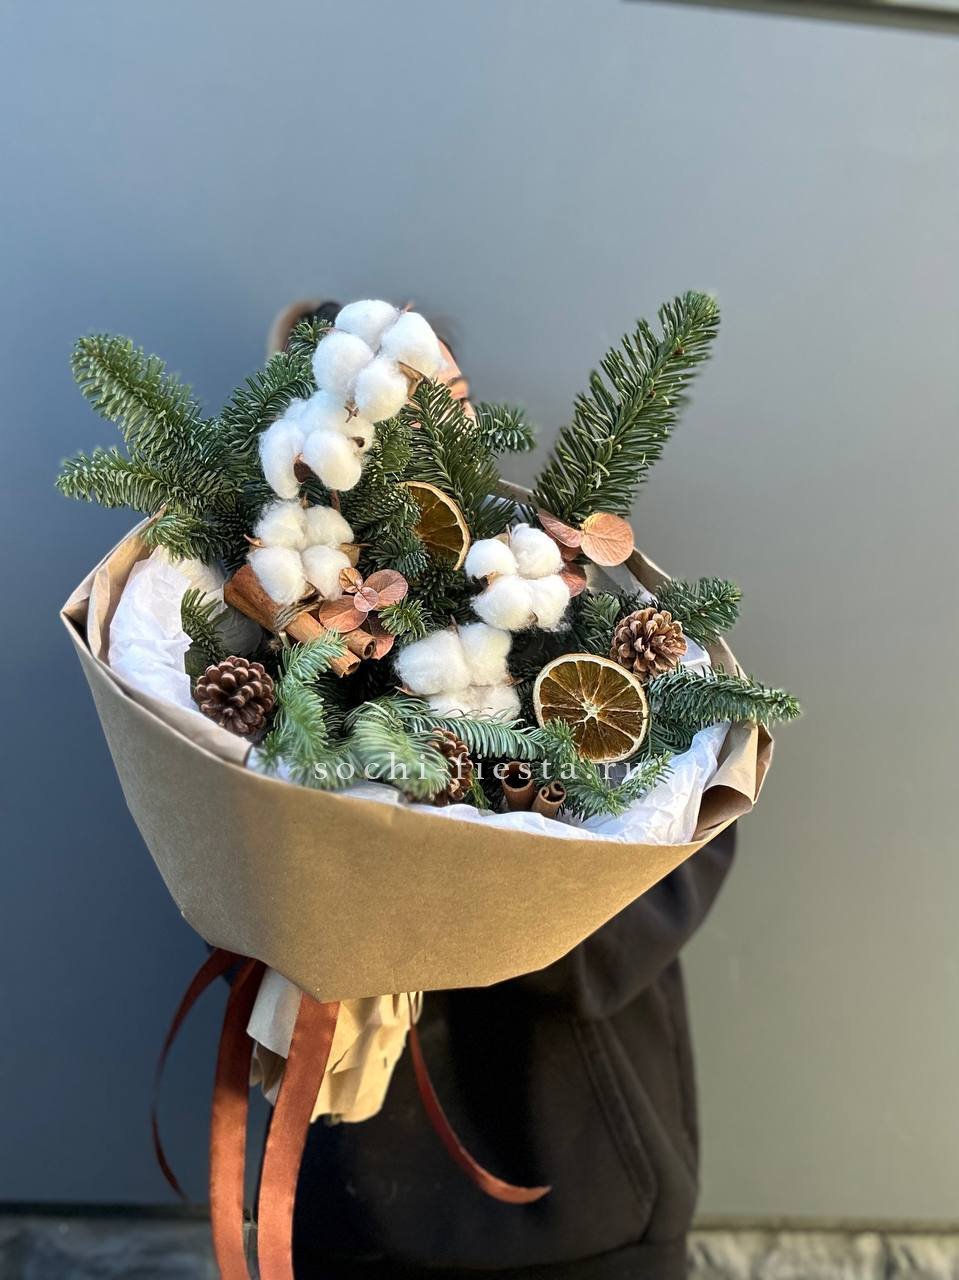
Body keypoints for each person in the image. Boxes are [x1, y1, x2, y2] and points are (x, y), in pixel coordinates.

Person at [278, 303, 736, 1279]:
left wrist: (473, 867)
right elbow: (234, 891)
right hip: (348, 1206)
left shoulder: (575, 627)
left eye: (426, 396)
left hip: (581, 1197)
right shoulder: (268, 655)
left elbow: (654, 888)